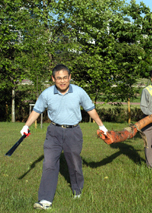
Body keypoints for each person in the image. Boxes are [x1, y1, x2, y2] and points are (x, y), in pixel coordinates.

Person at [20, 64, 108, 210]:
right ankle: (45, 200)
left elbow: (90, 109)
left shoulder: (79, 92)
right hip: (53, 132)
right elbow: (37, 111)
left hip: (73, 132)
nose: (62, 81)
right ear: (53, 78)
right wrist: (26, 126)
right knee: (49, 164)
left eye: (65, 78)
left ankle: (77, 190)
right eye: (59, 78)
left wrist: (101, 125)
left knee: (74, 163)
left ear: (70, 77)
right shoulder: (47, 93)